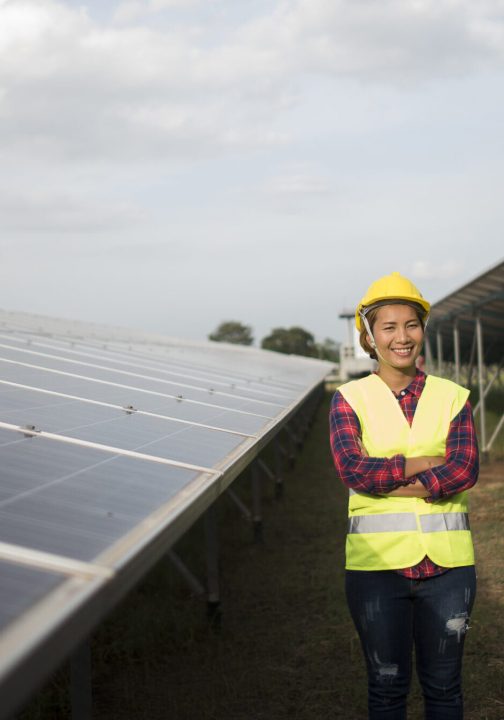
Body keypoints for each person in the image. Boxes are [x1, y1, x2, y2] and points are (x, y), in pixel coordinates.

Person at [329, 272, 479, 720]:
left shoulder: (454, 397)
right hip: (377, 567)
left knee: (445, 688)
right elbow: (354, 472)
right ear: (370, 338)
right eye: (388, 327)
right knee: (387, 686)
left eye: (411, 324)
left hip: (448, 568)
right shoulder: (348, 399)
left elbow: (465, 469)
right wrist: (424, 463)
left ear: (422, 330)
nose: (402, 337)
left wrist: (388, 473)